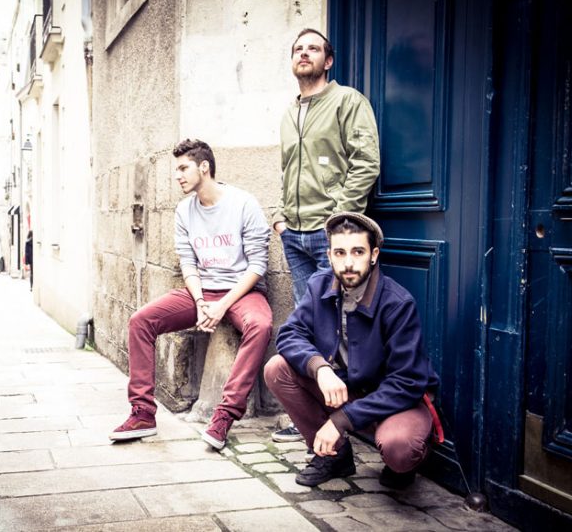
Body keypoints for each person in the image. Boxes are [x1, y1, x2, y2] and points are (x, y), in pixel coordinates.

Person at [109, 139, 273, 451]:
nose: (177, 175)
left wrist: (221, 306)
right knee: (141, 321)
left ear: (204, 167)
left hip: (242, 291)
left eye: (183, 168)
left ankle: (225, 415)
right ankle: (143, 414)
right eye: (177, 169)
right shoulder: (185, 210)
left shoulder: (243, 203)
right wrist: (200, 302)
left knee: (261, 325)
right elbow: (188, 262)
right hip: (201, 290)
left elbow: (257, 266)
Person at [264, 212, 440, 489]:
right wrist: (320, 369)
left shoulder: (397, 302)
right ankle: (335, 457)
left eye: (358, 252)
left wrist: (341, 420)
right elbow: (290, 333)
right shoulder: (319, 285)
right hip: (348, 389)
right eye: (340, 253)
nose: (348, 263)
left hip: (394, 400)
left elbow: (407, 382)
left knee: (400, 449)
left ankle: (407, 461)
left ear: (373, 254)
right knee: (277, 368)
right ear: (330, 255)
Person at [271, 28, 381, 443]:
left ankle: (345, 417)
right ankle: (312, 412)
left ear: (328, 60)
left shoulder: (347, 101)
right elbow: (287, 171)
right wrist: (281, 217)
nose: (304, 54)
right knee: (308, 326)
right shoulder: (289, 113)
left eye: (313, 49)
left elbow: (366, 162)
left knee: (338, 327)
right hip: (294, 235)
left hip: (328, 237)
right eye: (298, 49)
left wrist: (336, 221)